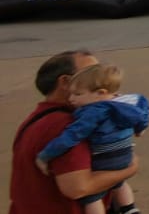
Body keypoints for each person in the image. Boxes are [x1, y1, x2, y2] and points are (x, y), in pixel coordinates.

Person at [11, 50, 141, 214]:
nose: (104, 80)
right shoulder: (67, 126)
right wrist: (130, 167)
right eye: (93, 72)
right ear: (65, 82)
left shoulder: (35, 119)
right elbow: (79, 188)